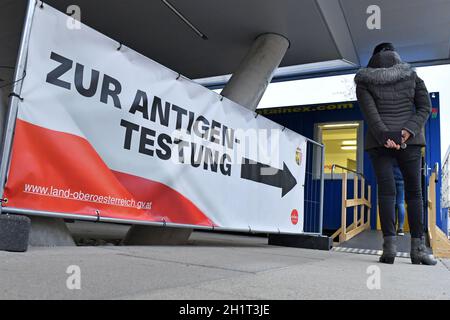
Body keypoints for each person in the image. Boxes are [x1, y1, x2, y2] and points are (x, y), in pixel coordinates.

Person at [355, 42, 437, 265]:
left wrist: (385, 136)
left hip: (379, 143)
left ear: (374, 56)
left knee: (387, 193)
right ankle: (418, 250)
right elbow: (424, 108)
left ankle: (389, 249)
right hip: (409, 142)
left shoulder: (363, 81)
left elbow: (370, 114)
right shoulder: (412, 76)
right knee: (414, 194)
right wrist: (406, 132)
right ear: (396, 55)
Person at [393, 163, 405, 236]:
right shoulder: (403, 153)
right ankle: (400, 228)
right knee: (400, 203)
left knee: (393, 203)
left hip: (392, 179)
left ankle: (393, 227)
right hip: (402, 179)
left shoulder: (391, 154)